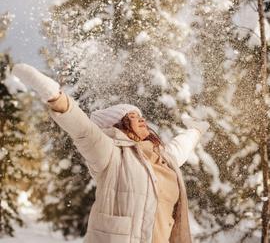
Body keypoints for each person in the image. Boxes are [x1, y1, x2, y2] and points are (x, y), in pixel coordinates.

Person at [12, 63, 209, 243]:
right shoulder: (110, 153)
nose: (141, 120)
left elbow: (180, 146)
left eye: (141, 116)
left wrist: (196, 130)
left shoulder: (163, 156)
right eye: (132, 116)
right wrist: (54, 95)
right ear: (120, 125)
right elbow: (82, 130)